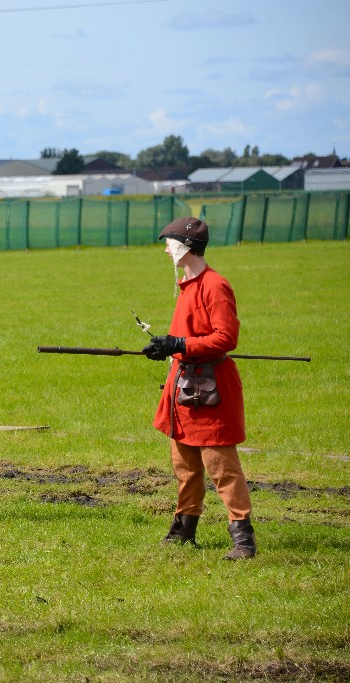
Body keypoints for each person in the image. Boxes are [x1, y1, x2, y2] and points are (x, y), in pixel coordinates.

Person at [143, 217, 256, 560]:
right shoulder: (187, 284)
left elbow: (225, 338)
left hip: (211, 390)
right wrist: (166, 346)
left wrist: (179, 343)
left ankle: (243, 539)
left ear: (186, 247)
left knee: (222, 467)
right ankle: (184, 529)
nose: (165, 248)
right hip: (185, 387)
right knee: (185, 463)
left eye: (170, 242)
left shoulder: (215, 285)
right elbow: (189, 337)